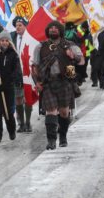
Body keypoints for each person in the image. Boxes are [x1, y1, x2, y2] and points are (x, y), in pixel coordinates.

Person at [32, 21, 84, 150]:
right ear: (48, 31)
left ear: (60, 30)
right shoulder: (40, 47)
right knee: (50, 111)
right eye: (51, 28)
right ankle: (51, 140)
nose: (53, 30)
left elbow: (81, 61)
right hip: (48, 82)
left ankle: (63, 136)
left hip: (65, 81)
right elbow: (35, 67)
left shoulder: (70, 45)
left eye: (56, 28)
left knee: (64, 112)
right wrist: (37, 82)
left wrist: (74, 57)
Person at [0, 31, 21, 142]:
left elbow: (16, 70)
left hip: (8, 86)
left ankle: (11, 130)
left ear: (9, 42)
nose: (4, 42)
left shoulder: (13, 54)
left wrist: (9, 80)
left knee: (8, 111)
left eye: (6, 40)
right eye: (2, 40)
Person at [10, 16, 32, 132]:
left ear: (25, 26)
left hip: (28, 71)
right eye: (16, 25)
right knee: (18, 98)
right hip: (16, 73)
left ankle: (28, 122)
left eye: (20, 25)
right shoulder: (12, 37)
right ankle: (21, 123)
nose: (18, 27)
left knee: (28, 98)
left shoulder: (30, 37)